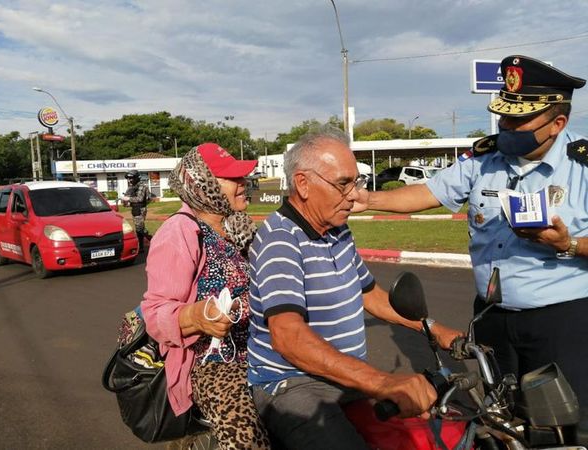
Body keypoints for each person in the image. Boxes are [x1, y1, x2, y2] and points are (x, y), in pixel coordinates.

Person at [357, 55, 588, 435]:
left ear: (557, 123)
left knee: (567, 429)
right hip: (492, 319)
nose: (506, 126)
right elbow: (428, 192)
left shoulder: (582, 165)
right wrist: (368, 200)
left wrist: (570, 243)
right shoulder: (485, 158)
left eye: (518, 119)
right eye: (502, 115)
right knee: (504, 422)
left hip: (562, 322)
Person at [246, 126, 462, 449]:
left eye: (355, 182)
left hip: (343, 377)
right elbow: (288, 337)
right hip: (292, 384)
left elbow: (369, 294)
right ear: (303, 184)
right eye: (343, 184)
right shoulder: (280, 240)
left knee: (422, 436)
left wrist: (432, 328)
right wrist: (382, 381)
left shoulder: (337, 230)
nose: (354, 194)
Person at [141, 143, 270, 450]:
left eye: (243, 178)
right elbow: (155, 314)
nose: (243, 184)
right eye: (233, 179)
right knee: (246, 436)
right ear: (204, 185)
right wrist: (197, 316)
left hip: (262, 347)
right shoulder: (180, 233)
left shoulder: (237, 226)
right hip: (211, 363)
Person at [122, 169, 151, 252]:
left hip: (140, 209)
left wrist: (128, 198)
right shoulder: (131, 187)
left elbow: (140, 199)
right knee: (140, 227)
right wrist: (126, 202)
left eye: (132, 178)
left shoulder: (142, 186)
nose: (130, 180)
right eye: (128, 178)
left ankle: (142, 246)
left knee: (139, 228)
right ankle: (147, 241)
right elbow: (128, 198)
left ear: (137, 178)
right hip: (135, 208)